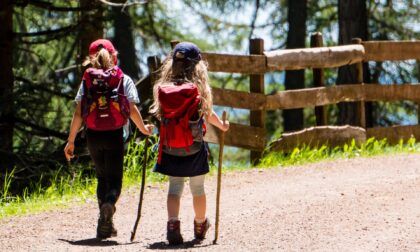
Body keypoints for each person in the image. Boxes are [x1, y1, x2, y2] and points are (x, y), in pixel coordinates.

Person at [64, 39, 154, 239]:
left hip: (93, 135)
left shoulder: (87, 81)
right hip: (115, 135)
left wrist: (70, 141)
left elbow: (79, 113)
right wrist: (144, 129)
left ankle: (104, 224)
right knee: (115, 181)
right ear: (114, 56)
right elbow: (131, 109)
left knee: (101, 177)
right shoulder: (123, 79)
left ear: (90, 59)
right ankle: (109, 206)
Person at [149, 42, 229, 245]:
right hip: (194, 147)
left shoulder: (162, 89)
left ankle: (173, 224)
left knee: (175, 188)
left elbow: (159, 115)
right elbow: (207, 114)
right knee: (198, 189)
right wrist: (222, 126)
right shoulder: (198, 89)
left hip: (170, 148)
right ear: (197, 66)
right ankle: (200, 225)